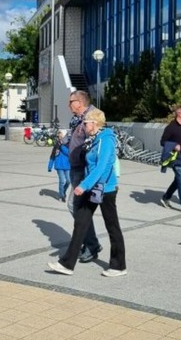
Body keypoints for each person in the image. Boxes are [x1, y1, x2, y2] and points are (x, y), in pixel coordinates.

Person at [48, 109, 126, 277]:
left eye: (85, 123)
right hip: (92, 189)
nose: (83, 126)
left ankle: (119, 266)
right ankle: (67, 264)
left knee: (112, 227)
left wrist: (84, 185)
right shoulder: (94, 139)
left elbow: (102, 167)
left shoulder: (106, 140)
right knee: (80, 223)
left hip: (106, 190)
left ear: (94, 123)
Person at [66, 90, 102, 262]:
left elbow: (95, 143)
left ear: (79, 103)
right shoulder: (78, 119)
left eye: (71, 102)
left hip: (83, 170)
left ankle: (92, 244)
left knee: (77, 207)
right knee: (79, 208)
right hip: (76, 168)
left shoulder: (92, 117)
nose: (69, 105)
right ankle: (91, 243)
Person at [47, 130, 70, 201]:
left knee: (68, 181)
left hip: (67, 165)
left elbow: (69, 153)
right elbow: (52, 155)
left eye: (61, 135)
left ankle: (63, 191)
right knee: (62, 181)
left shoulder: (68, 144)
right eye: (59, 136)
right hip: (59, 165)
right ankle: (61, 195)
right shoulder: (56, 144)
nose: (59, 137)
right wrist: (50, 166)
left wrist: (62, 146)